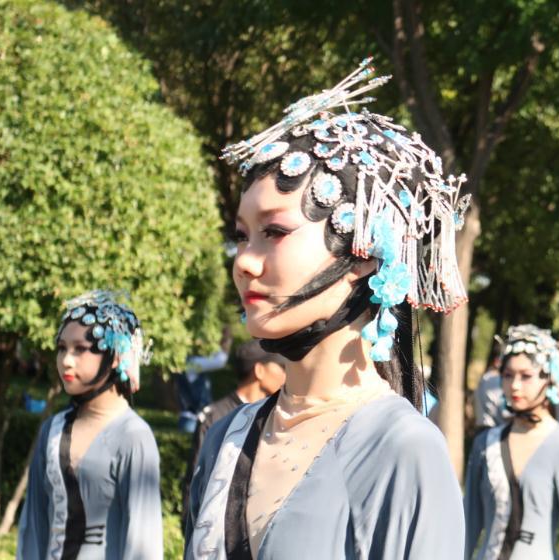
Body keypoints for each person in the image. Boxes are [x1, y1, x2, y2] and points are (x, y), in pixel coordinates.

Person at [185, 59, 468, 559]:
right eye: (241, 236)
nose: (243, 262)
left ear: (364, 254)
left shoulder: (402, 448)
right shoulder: (225, 439)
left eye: (274, 231)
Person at [18, 291, 162, 559]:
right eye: (62, 348)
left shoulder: (134, 436)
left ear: (116, 356)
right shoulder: (51, 429)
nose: (66, 360)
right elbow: (33, 528)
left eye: (80, 349)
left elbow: (144, 544)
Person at [464, 325, 559, 560]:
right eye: (507, 375)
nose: (515, 385)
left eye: (526, 376)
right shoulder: (485, 443)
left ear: (550, 378)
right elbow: (467, 525)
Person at [182, 340, 287, 523]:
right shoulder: (216, 417)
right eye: (281, 367)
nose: (286, 375)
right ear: (259, 371)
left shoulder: (277, 417)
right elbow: (196, 484)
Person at [176, 327, 232, 433]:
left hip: (190, 420)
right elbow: (220, 361)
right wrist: (225, 338)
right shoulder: (192, 364)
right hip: (193, 421)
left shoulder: (189, 363)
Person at [474, 341, 508, 429]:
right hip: (491, 430)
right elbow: (502, 412)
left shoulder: (488, 377)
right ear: (497, 361)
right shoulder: (493, 379)